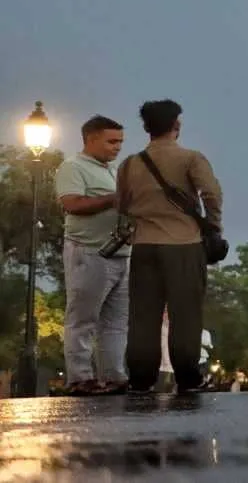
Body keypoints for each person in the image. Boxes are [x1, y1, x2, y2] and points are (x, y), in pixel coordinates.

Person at [116, 100, 223, 395]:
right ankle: (187, 376)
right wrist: (213, 226)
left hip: (144, 245)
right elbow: (212, 194)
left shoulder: (130, 164)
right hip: (183, 244)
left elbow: (121, 205)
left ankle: (141, 377)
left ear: (146, 127)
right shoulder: (191, 158)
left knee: (143, 314)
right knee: (185, 313)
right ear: (176, 124)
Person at [56, 115, 129, 396]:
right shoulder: (73, 167)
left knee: (115, 323)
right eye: (112, 141)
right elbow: (72, 204)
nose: (117, 147)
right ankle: (80, 377)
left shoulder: (114, 171)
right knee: (83, 318)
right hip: (89, 250)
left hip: (121, 253)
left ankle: (114, 376)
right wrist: (113, 199)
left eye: (120, 142)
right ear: (91, 139)